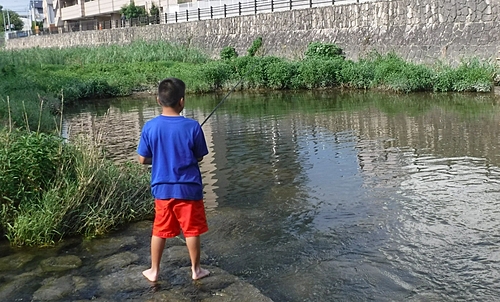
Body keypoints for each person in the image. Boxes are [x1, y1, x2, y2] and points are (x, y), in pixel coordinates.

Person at [137, 77, 210, 282]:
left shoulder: (150, 127)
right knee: (191, 230)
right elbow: (199, 156)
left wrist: (159, 155)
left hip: (162, 189)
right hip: (188, 189)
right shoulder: (193, 126)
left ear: (158, 100)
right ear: (182, 101)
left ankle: (154, 270)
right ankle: (196, 270)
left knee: (159, 230)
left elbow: (142, 159)